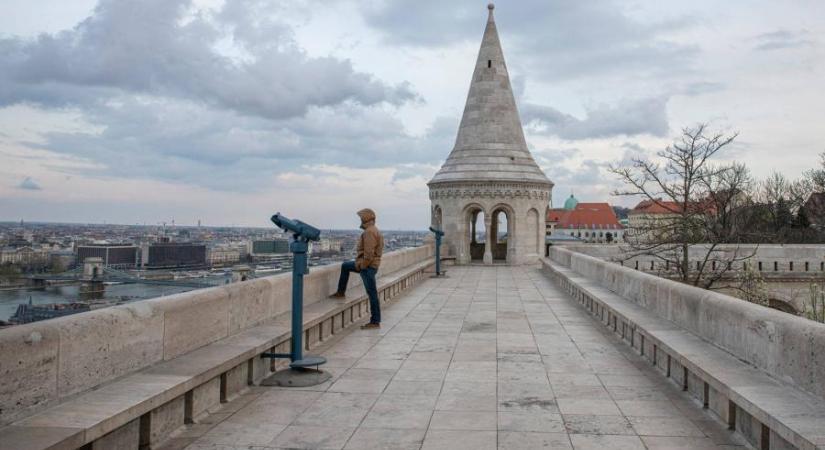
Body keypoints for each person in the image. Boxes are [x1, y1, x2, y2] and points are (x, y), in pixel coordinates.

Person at [329, 208, 384, 329]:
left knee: (372, 294)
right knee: (345, 266)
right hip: (370, 265)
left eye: (361, 218)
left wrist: (362, 266)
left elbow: (368, 254)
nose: (360, 220)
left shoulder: (369, 232)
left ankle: (375, 321)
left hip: (367, 267)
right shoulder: (374, 230)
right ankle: (341, 292)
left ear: (366, 219)